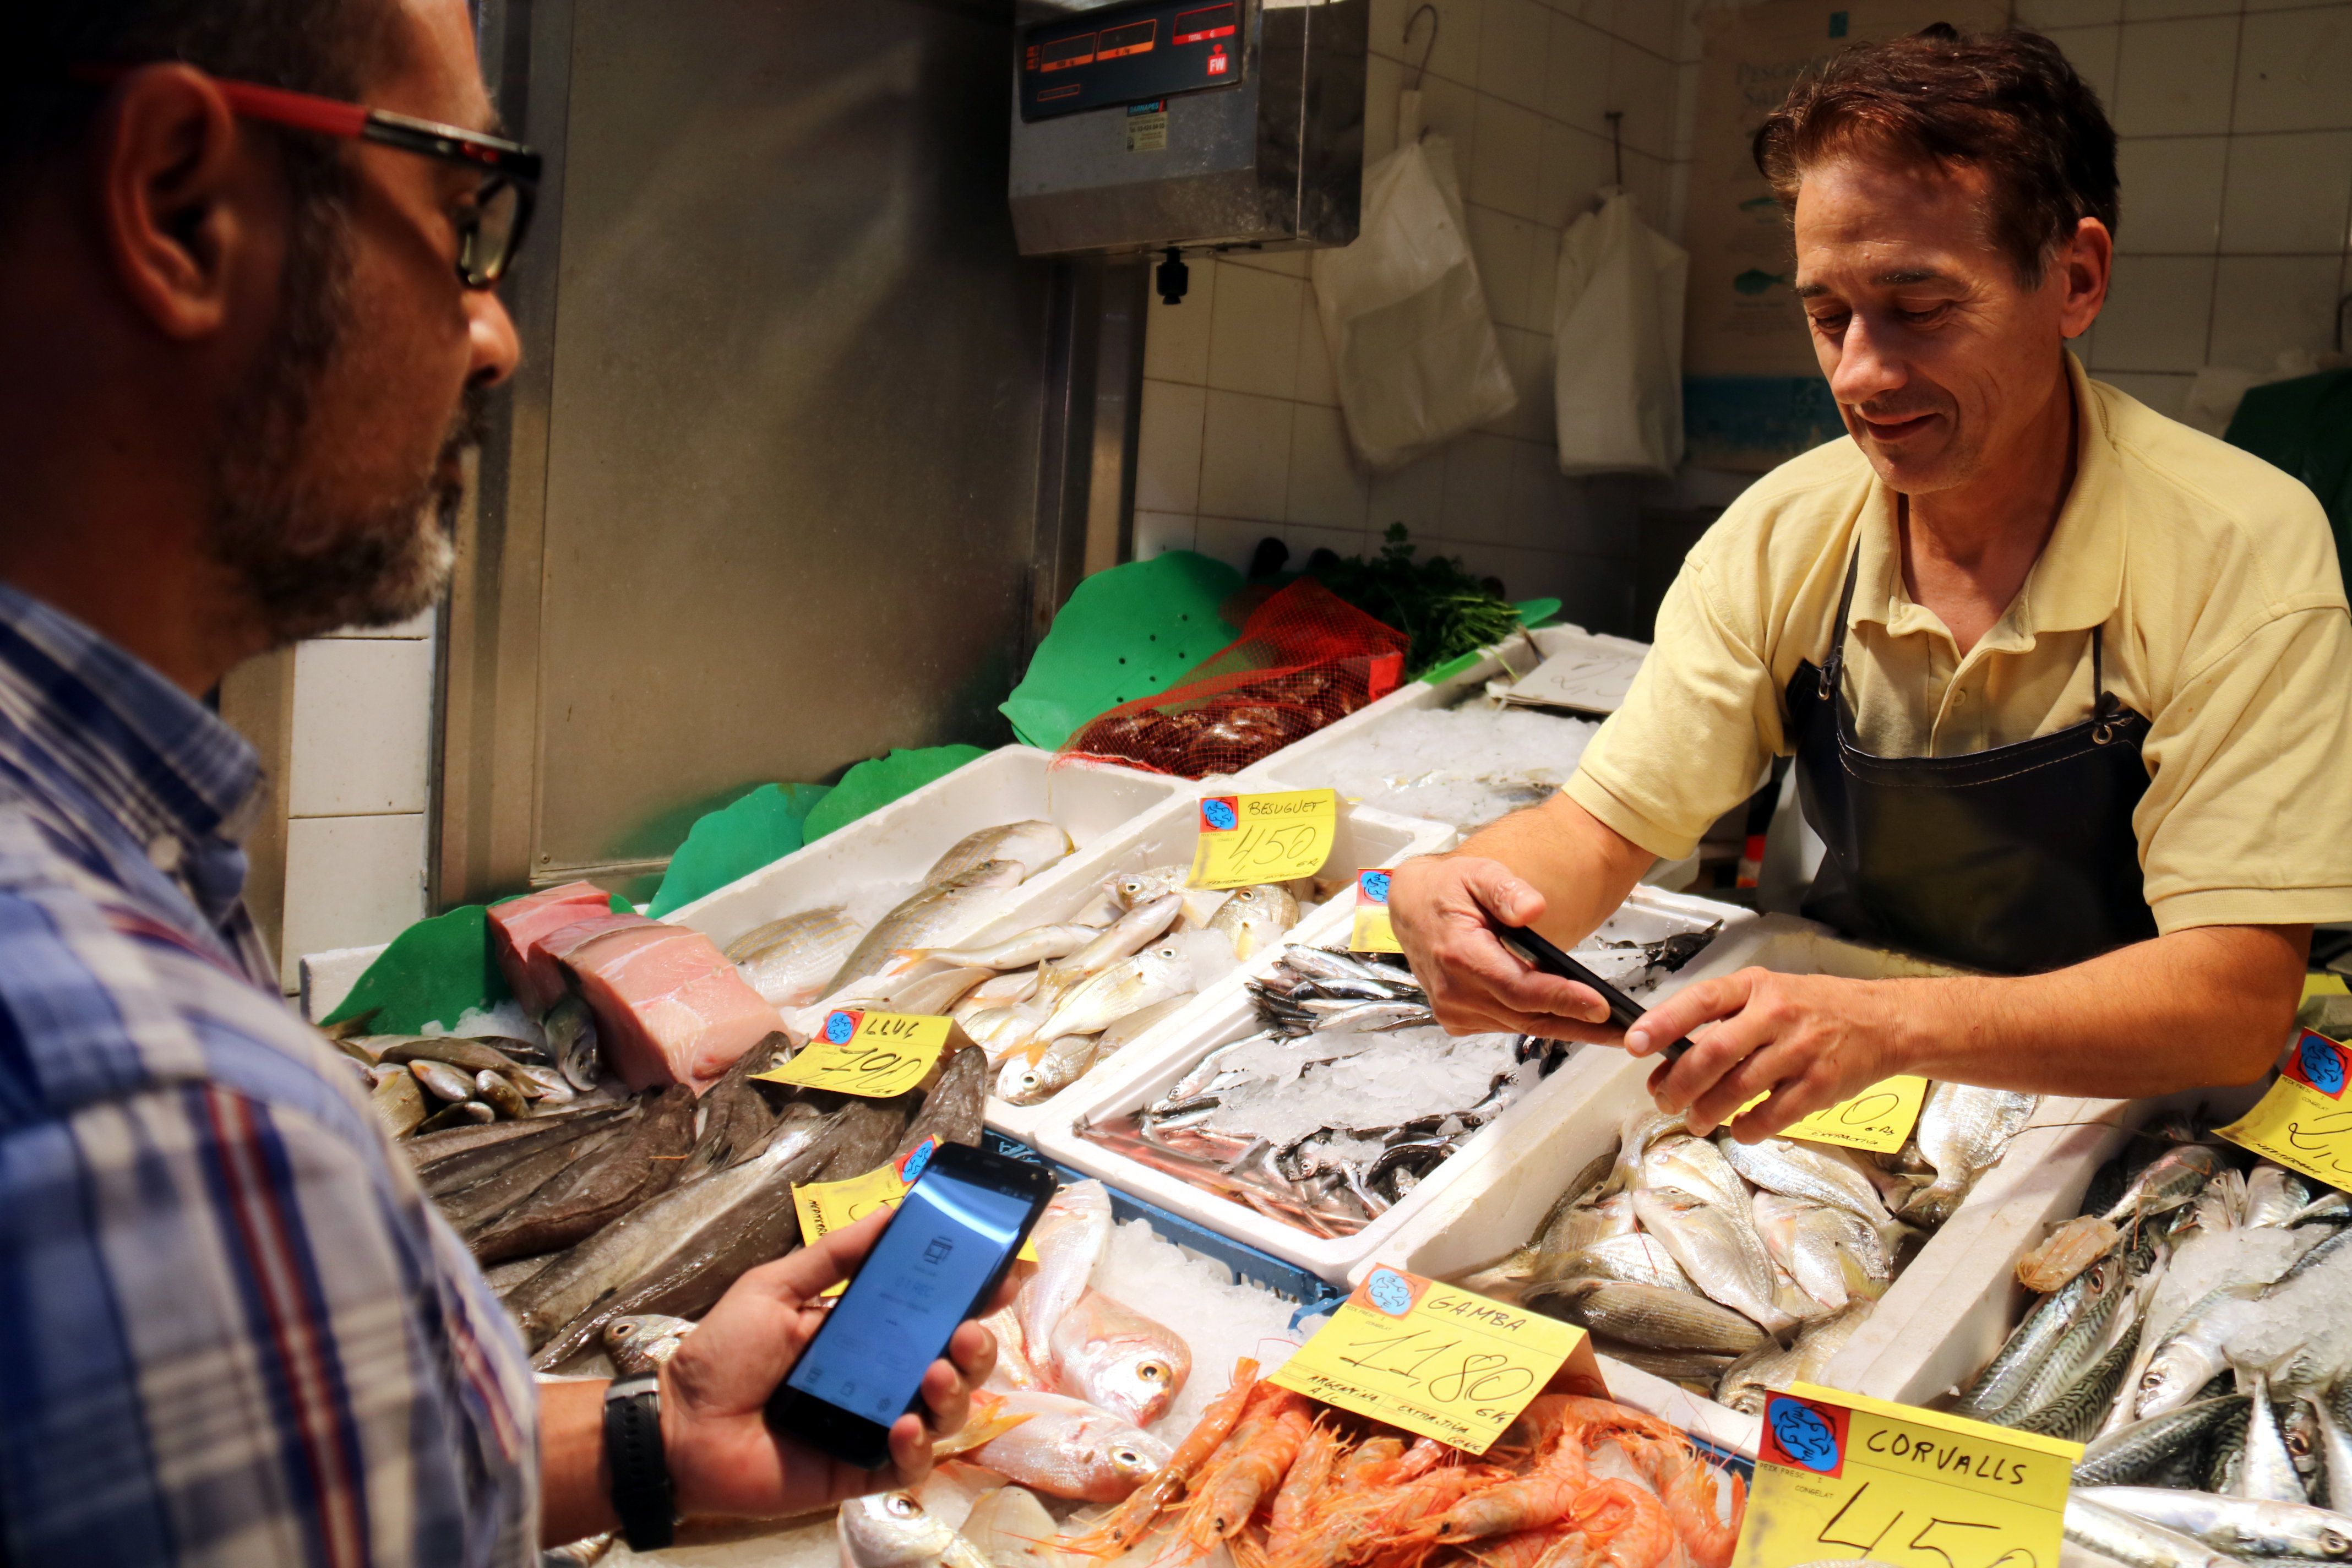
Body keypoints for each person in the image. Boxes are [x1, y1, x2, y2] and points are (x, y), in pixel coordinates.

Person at [0, 2, 995, 1561]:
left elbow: (300, 1453)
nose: (498, 332)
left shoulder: (101, 829)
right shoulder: (136, 1099)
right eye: (464, 218)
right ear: (180, 204)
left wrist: (656, 1444)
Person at [1393, 26, 2352, 1142]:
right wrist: (1471, 898)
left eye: (1921, 305)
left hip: (2141, 1109)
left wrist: (1890, 1025)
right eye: (1827, 314)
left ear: (2076, 278)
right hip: (1863, 1071)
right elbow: (1599, 830)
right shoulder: (1781, 535)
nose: (1860, 373)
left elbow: (2229, 1007)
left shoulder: (2241, 547)